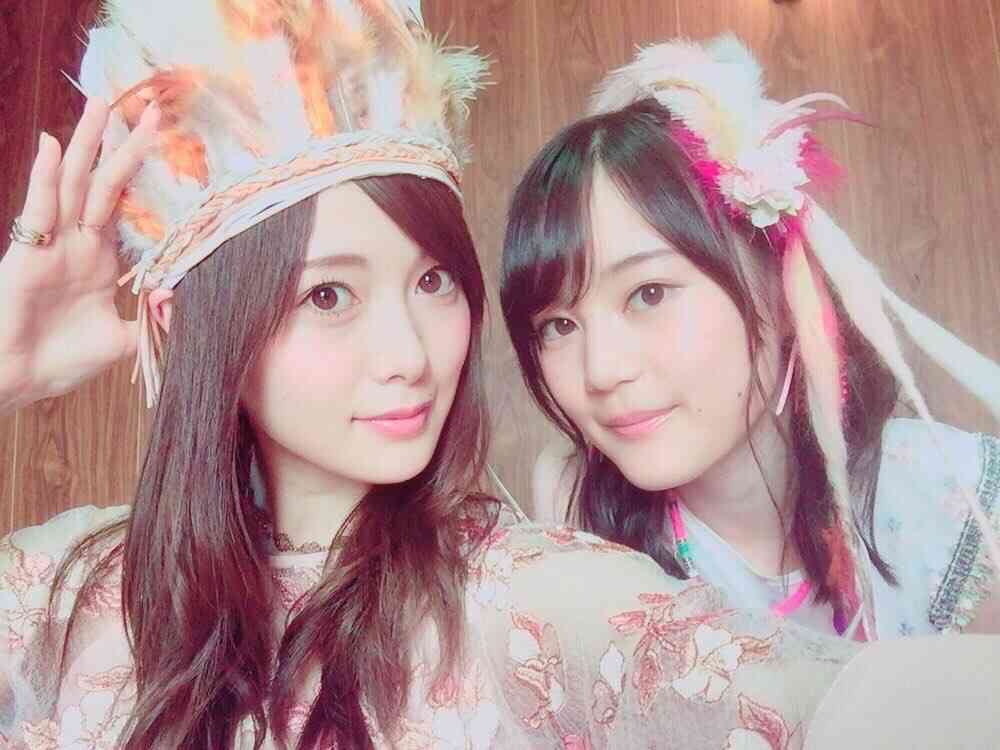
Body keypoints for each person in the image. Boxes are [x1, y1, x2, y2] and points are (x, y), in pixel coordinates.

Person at [2, 9, 1000, 748]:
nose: (410, 352)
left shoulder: (529, 597)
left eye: (432, 280)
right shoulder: (59, 586)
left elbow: (861, 707)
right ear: (183, 328)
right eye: (329, 296)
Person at [501, 35, 1000, 641]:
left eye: (649, 293)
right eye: (558, 325)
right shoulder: (576, 507)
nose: (600, 370)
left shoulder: (954, 503)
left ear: (787, 291)